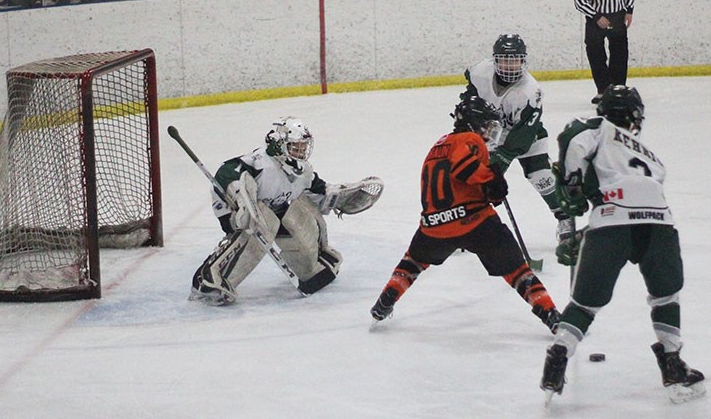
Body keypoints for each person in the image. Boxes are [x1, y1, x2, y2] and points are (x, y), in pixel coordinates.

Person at [540, 84, 706, 404]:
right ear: (636, 117)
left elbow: (572, 139)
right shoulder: (654, 159)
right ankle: (673, 364)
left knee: (585, 304)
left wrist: (572, 185)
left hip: (611, 223)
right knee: (666, 295)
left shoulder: (598, 128)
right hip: (659, 223)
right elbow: (636, 205)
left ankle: (558, 354)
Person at [369, 96, 561, 333]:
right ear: (473, 124)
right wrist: (492, 181)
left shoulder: (437, 146)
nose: (489, 132)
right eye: (486, 126)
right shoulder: (470, 140)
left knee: (413, 261)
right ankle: (549, 313)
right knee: (517, 271)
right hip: (475, 223)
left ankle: (385, 301)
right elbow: (464, 169)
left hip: (433, 226)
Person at [190, 117, 382, 305]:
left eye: (303, 146)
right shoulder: (261, 162)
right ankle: (210, 278)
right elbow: (226, 172)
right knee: (262, 221)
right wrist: (240, 197)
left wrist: (339, 198)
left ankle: (313, 264)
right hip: (235, 210)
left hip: (272, 208)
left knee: (299, 212)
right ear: (280, 145)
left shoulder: (302, 172)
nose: (301, 151)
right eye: (295, 146)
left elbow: (320, 191)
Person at [460, 34, 575, 243]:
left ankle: (565, 218)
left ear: (523, 61)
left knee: (540, 175)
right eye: (505, 60)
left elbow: (524, 133)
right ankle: (468, 223)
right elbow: (470, 96)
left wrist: (502, 159)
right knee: (476, 176)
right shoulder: (480, 72)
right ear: (495, 60)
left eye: (515, 60)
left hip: (525, 134)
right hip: (491, 131)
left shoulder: (531, 91)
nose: (510, 65)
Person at [574, 0, 635, 105]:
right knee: (595, 53)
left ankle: (618, 88)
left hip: (617, 15)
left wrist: (629, 9)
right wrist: (596, 16)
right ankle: (603, 89)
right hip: (596, 18)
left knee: (619, 52)